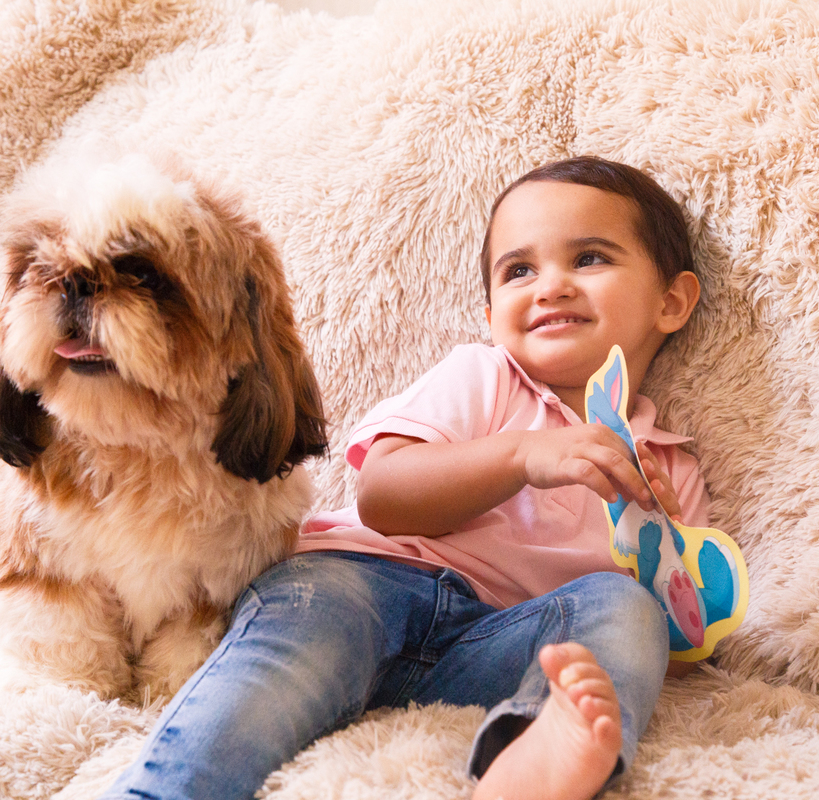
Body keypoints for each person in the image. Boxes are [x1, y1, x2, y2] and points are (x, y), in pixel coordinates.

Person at [102, 155, 706, 800]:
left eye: (589, 258)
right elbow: (384, 495)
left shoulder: (669, 464)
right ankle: (165, 790)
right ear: (490, 312)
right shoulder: (484, 376)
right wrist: (525, 455)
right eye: (519, 270)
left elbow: (679, 636)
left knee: (624, 609)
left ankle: (529, 756)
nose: (549, 286)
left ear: (671, 302)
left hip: (496, 642)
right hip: (366, 586)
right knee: (275, 676)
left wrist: (660, 549)